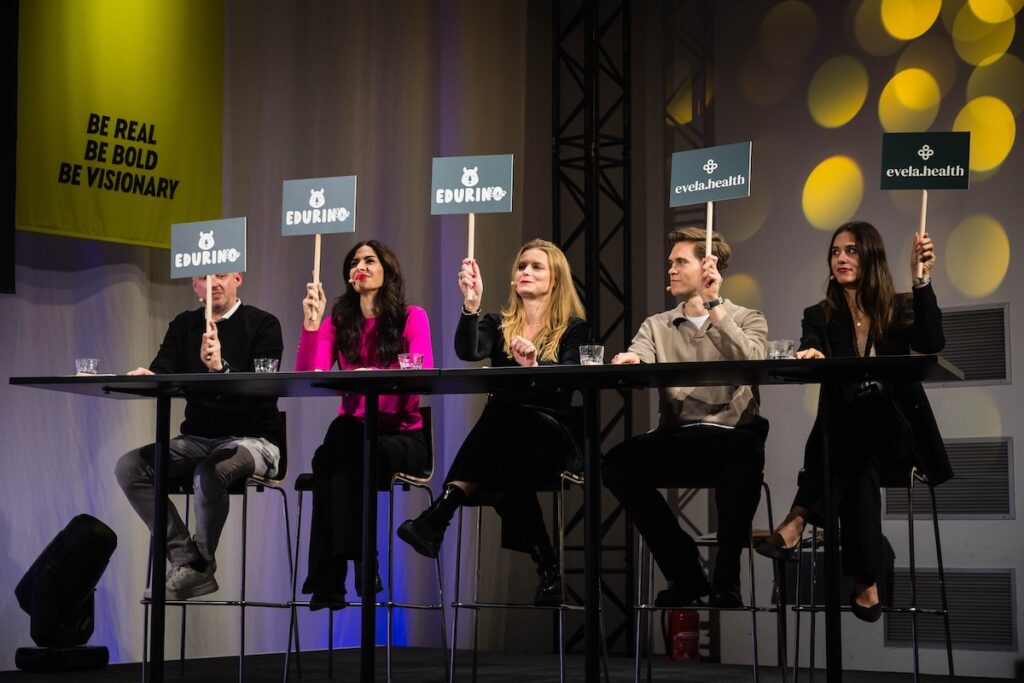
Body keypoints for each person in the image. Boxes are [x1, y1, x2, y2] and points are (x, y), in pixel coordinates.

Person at [756, 220, 949, 622]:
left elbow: (931, 343)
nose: (841, 258)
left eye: (851, 251)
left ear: (870, 256)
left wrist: (922, 280)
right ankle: (866, 582)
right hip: (852, 445)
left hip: (896, 433)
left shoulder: (897, 307)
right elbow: (811, 343)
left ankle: (801, 514)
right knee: (859, 466)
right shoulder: (819, 314)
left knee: (861, 422)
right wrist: (810, 354)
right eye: (835, 251)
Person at [397, 238, 588, 606]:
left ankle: (441, 513)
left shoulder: (573, 327)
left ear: (556, 279)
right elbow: (470, 351)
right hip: (510, 445)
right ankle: (549, 569)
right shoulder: (498, 323)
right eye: (521, 266)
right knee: (507, 455)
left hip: (553, 435)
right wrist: (471, 306)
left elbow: (572, 376)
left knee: (504, 414)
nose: (525, 272)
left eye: (536, 267)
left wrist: (534, 366)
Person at [603, 227, 769, 608]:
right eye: (670, 263)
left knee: (742, 463)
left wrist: (716, 307)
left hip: (732, 435)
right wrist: (631, 361)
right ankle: (686, 572)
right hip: (679, 437)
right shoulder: (656, 324)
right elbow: (639, 355)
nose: (672, 270)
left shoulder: (747, 318)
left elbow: (754, 361)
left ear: (707, 266)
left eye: (681, 262)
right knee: (617, 465)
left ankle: (727, 580)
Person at [115, 272, 284, 600]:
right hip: (197, 440)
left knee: (210, 471)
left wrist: (220, 369)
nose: (213, 283)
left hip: (255, 440)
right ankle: (186, 558)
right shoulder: (184, 325)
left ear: (238, 278)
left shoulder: (264, 324)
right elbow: (164, 369)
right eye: (203, 278)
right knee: (130, 467)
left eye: (221, 275)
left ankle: (202, 562)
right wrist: (148, 376)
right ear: (194, 287)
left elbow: (265, 389)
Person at [296, 240, 433, 611]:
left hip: (402, 437)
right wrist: (311, 324)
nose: (361, 265)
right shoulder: (339, 321)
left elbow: (418, 376)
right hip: (356, 437)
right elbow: (310, 375)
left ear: (386, 269)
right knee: (340, 447)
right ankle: (361, 562)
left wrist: (371, 375)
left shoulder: (412, 317)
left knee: (330, 458)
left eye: (369, 260)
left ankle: (330, 578)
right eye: (354, 262)